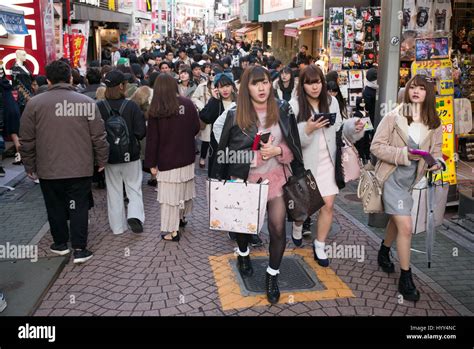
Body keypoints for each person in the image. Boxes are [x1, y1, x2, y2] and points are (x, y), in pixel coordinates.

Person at [212, 66, 305, 304]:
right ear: (246, 87)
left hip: (275, 179)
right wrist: (253, 158)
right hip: (246, 182)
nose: (262, 88)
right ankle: (243, 254)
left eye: (264, 82)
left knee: (277, 229)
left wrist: (278, 151)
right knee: (244, 228)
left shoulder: (283, 110)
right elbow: (225, 155)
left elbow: (293, 147)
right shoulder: (234, 115)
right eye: (255, 84)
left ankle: (272, 275)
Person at [20, 60, 109, 264]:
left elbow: (27, 139)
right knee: (78, 206)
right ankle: (79, 248)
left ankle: (60, 243)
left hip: (48, 167)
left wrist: (29, 165)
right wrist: (101, 159)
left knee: (55, 205)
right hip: (80, 167)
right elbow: (98, 135)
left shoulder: (34, 104)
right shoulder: (86, 102)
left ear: (48, 79)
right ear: (70, 77)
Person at [370, 74, 443, 302]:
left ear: (428, 93)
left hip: (411, 181)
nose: (416, 91)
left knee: (397, 221)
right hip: (391, 177)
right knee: (406, 226)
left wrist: (436, 163)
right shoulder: (394, 117)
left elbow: (438, 152)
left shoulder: (434, 123)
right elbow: (376, 146)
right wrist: (403, 154)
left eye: (422, 88)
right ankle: (406, 277)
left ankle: (384, 250)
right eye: (413, 87)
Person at [289, 65, 364, 259]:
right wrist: (308, 128)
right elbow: (290, 136)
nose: (315, 87)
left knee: (328, 205)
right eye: (309, 83)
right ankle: (298, 225)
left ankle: (320, 244)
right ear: (302, 85)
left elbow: (339, 127)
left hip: (329, 162)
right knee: (306, 205)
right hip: (306, 164)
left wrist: (354, 126)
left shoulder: (331, 102)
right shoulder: (295, 104)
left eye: (318, 82)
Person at [144, 74, 200, 242]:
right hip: (187, 157)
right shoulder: (188, 104)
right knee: (184, 189)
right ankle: (182, 218)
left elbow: (153, 139)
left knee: (169, 197)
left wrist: (151, 164)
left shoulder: (157, 109)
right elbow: (196, 128)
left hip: (167, 159)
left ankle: (172, 231)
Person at [97, 70, 146, 235]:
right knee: (134, 187)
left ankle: (118, 228)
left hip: (110, 157)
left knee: (114, 191)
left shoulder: (99, 107)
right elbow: (141, 132)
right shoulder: (131, 106)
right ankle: (134, 215)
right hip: (130, 155)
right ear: (121, 86)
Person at [192, 67, 221, 169]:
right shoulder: (202, 86)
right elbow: (194, 98)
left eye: (214, 74)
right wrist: (202, 107)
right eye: (211, 74)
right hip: (207, 115)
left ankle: (215, 160)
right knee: (206, 140)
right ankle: (202, 158)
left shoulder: (223, 86)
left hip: (219, 116)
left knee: (217, 140)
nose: (212, 76)